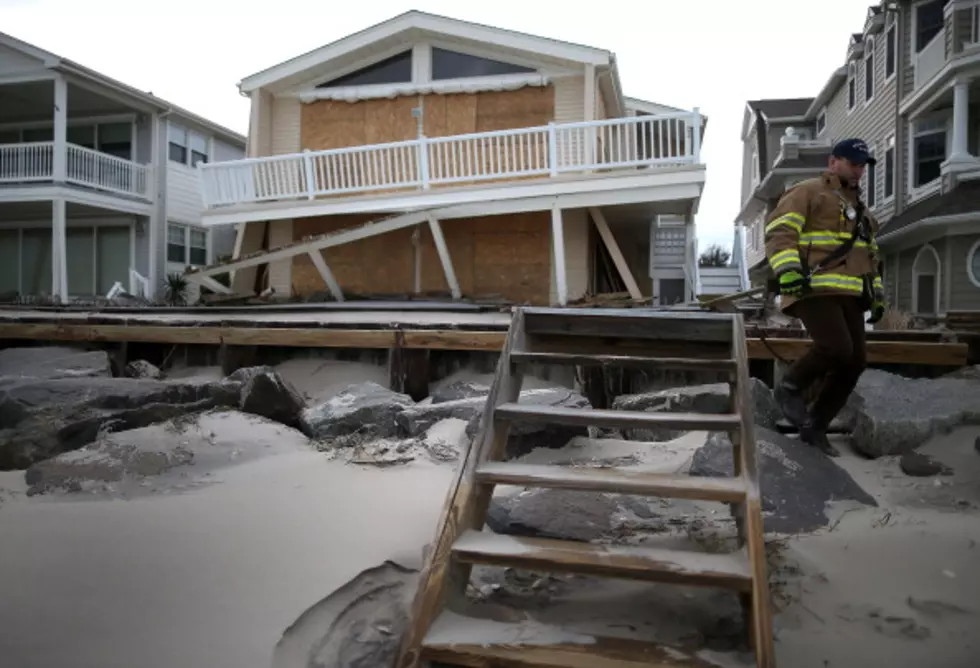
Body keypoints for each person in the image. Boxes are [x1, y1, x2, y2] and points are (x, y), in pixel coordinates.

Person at [764, 138, 886, 457]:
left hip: (852, 292)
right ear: (834, 162)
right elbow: (780, 233)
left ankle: (815, 426)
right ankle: (790, 387)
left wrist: (877, 295)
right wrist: (788, 271)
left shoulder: (860, 209)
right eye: (853, 163)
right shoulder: (807, 191)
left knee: (855, 360)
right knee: (836, 348)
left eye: (862, 165)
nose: (859, 170)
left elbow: (871, 254)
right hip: (812, 288)